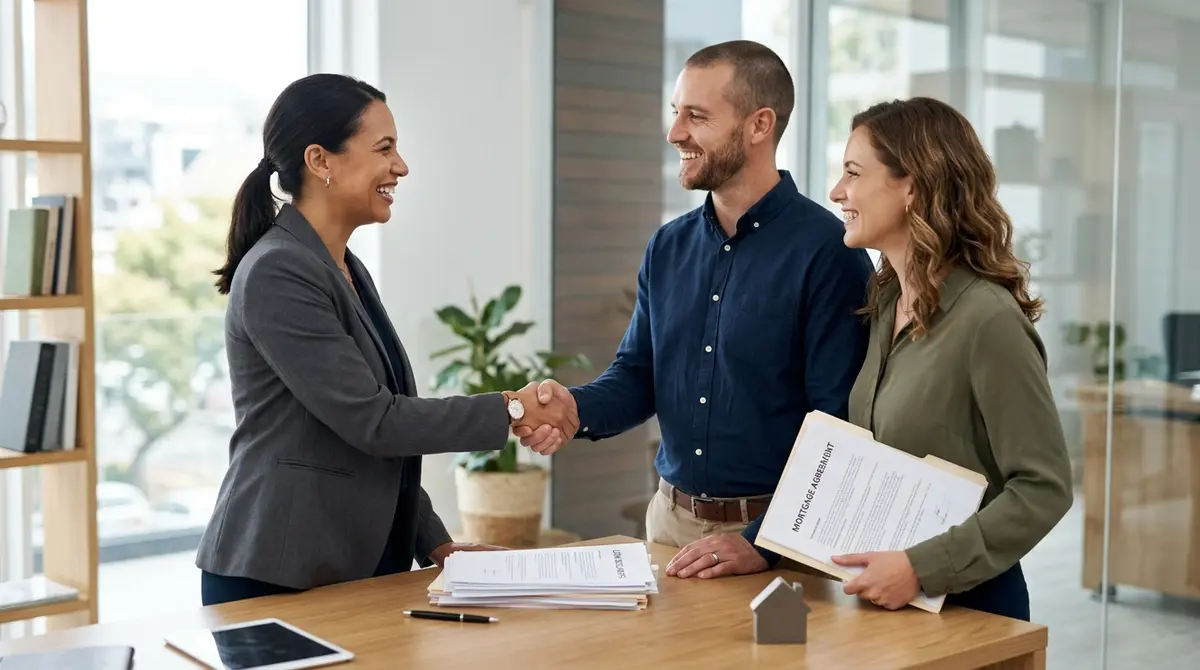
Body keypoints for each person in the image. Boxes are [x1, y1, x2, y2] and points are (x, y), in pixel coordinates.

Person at [195, 73, 575, 606]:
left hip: (350, 568)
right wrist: (513, 410)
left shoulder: (343, 266)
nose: (401, 166)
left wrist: (437, 544)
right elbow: (375, 421)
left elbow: (371, 444)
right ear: (320, 161)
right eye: (384, 148)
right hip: (277, 573)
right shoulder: (279, 271)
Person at [515, 40, 874, 579]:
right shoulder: (668, 246)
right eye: (675, 112)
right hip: (669, 528)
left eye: (696, 116)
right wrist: (573, 408)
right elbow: (638, 377)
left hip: (780, 543)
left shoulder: (829, 251)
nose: (674, 132)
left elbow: (836, 426)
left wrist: (762, 542)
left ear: (759, 125)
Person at [823, 97, 1073, 620]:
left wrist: (922, 567)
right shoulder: (886, 301)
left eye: (852, 172)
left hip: (971, 608)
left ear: (912, 186)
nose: (837, 192)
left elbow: (1044, 489)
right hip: (883, 603)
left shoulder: (988, 321)